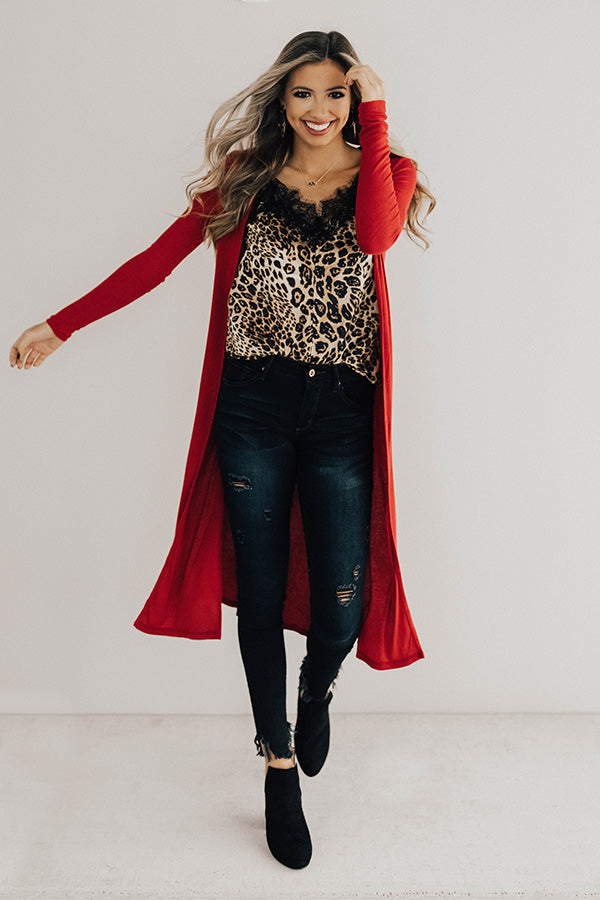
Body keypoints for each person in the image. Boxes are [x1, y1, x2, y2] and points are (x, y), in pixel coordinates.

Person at [9, 30, 435, 869]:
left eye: (338, 93)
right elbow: (156, 261)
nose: (319, 109)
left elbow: (377, 239)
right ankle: (278, 764)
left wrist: (379, 113)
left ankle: (317, 687)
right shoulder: (244, 177)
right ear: (282, 99)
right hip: (253, 407)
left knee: (341, 609)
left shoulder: (387, 172)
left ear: (357, 101)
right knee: (261, 593)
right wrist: (61, 325)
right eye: (304, 92)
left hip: (342, 412)